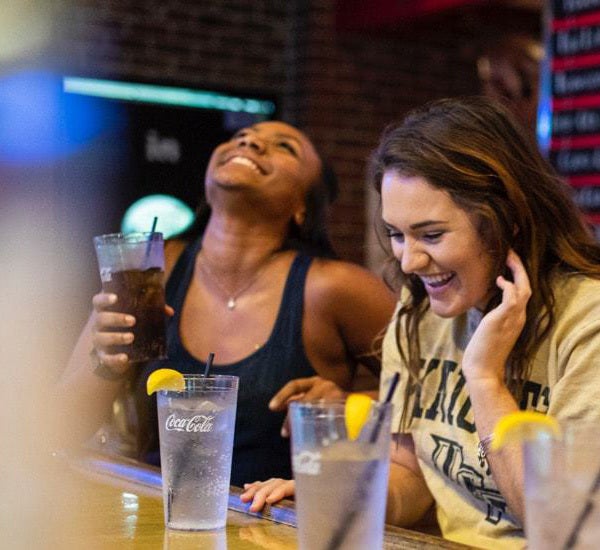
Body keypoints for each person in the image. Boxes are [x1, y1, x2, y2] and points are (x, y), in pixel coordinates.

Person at [241, 97, 600, 549]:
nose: (409, 261)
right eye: (396, 233)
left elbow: (569, 524)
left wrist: (484, 380)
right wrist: (349, 497)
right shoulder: (417, 317)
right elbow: (413, 470)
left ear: (507, 221)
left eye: (431, 235)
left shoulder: (588, 320)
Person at [57, 120, 396, 488]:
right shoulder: (153, 269)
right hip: (157, 516)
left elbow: (432, 397)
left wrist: (351, 402)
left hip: (276, 530)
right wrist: (107, 364)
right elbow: (58, 431)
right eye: (241, 137)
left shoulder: (333, 288)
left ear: (303, 206)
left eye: (284, 146)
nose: (251, 142)